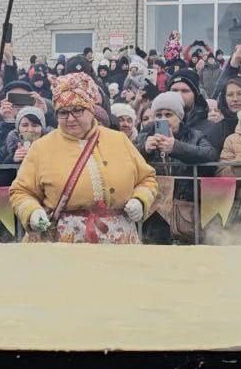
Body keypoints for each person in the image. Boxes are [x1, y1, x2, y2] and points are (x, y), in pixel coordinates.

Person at [9, 73, 158, 244]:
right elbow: (20, 191)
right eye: (63, 112)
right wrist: (33, 213)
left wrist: (140, 200)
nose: (70, 118)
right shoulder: (41, 148)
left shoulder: (119, 140)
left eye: (78, 110)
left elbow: (147, 179)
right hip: (63, 243)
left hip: (119, 242)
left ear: (91, 109)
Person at [135, 91, 218, 244]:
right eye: (158, 115)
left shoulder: (195, 136)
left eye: (168, 114)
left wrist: (176, 148)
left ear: (179, 117)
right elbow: (129, 159)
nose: (163, 119)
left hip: (185, 212)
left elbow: (210, 155)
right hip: (154, 216)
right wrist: (144, 149)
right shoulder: (144, 135)